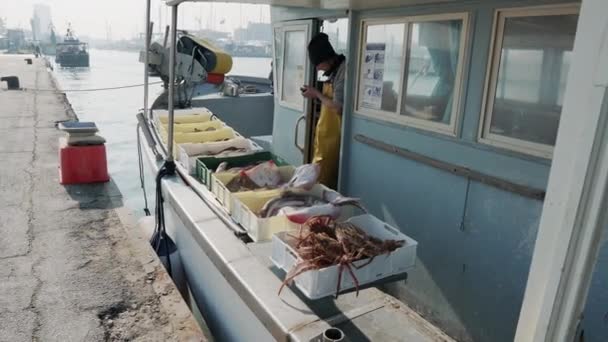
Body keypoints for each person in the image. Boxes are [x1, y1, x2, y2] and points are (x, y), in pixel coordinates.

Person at [301, 33, 346, 189]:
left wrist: (317, 94)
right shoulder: (334, 71)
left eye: (318, 64)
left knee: (325, 181)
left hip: (335, 140)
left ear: (327, 59)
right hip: (325, 139)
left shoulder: (343, 71)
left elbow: (338, 106)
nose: (317, 68)